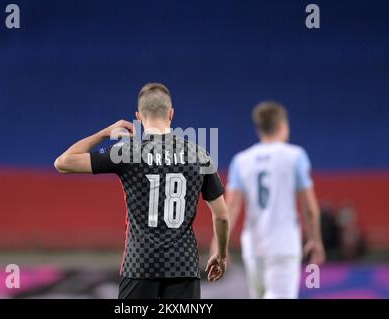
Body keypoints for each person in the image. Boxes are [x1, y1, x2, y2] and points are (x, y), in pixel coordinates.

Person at [54, 83, 230, 299]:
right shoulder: (198, 154)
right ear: (171, 114)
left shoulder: (127, 152)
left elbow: (63, 162)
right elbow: (221, 216)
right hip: (183, 267)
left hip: (139, 266)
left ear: (138, 116)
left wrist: (105, 133)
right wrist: (220, 254)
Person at [222, 101, 325, 299]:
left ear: (259, 129)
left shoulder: (241, 160)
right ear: (282, 126)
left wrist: (220, 244)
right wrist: (315, 239)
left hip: (253, 247)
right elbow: (309, 208)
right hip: (283, 245)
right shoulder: (295, 156)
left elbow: (231, 207)